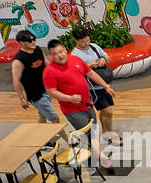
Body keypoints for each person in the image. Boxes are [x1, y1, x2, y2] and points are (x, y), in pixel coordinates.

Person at [42, 39, 114, 168]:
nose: (60, 55)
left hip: (87, 103)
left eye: (61, 51)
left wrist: (105, 86)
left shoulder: (75, 60)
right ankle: (102, 157)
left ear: (65, 50)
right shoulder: (49, 71)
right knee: (90, 133)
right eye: (55, 54)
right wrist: (69, 98)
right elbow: (52, 92)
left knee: (93, 130)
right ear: (51, 55)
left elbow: (91, 73)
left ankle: (94, 153)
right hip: (72, 109)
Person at [69, 26, 116, 139]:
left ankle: (106, 133)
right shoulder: (75, 55)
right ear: (76, 40)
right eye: (82, 42)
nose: (85, 43)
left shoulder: (94, 46)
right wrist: (89, 66)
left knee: (107, 112)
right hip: (91, 89)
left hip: (102, 85)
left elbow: (107, 57)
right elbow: (74, 73)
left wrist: (103, 60)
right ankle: (109, 135)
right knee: (107, 111)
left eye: (87, 40)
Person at [10, 30, 59, 125]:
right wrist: (22, 99)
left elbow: (48, 65)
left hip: (46, 89)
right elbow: (16, 81)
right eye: (29, 41)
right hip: (36, 95)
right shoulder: (19, 60)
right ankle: (60, 139)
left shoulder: (38, 50)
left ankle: (41, 137)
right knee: (55, 118)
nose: (33, 42)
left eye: (34, 39)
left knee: (42, 115)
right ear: (21, 43)